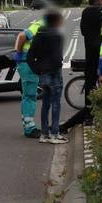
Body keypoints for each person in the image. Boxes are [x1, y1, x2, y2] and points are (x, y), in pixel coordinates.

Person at [59, 0, 102, 133]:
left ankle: (89, 115)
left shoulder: (86, 12)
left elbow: (83, 31)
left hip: (90, 51)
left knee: (90, 82)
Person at [25, 10, 66, 144]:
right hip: (54, 72)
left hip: (43, 73)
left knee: (45, 103)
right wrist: (56, 65)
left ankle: (44, 134)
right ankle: (55, 133)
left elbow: (30, 56)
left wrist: (37, 69)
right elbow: (57, 56)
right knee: (56, 103)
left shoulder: (38, 35)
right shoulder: (57, 35)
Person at [13, 15, 45, 138]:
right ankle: (29, 128)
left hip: (26, 63)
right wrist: (19, 52)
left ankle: (27, 125)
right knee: (31, 96)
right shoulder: (42, 25)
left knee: (27, 96)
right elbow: (22, 36)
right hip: (28, 64)